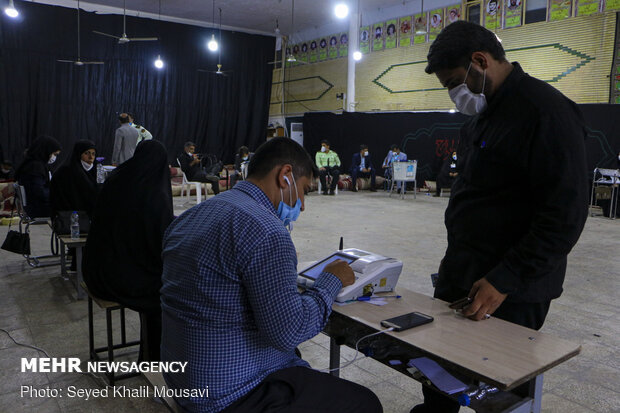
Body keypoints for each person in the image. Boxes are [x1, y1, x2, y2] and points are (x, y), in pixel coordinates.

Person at [413, 20, 588, 413]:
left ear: (480, 61)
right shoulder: (482, 115)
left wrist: (504, 278)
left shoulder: (547, 113)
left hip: (510, 289)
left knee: (497, 392)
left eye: (454, 81)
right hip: (463, 271)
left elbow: (564, 217)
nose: (453, 93)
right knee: (439, 375)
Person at [160, 137, 382, 413]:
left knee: (296, 362)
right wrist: (330, 280)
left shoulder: (194, 215)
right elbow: (289, 332)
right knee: (365, 403)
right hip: (228, 395)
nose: (301, 206)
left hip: (184, 381)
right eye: (303, 191)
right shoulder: (266, 230)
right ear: (285, 175)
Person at [83, 140, 174, 362]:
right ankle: (155, 362)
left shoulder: (118, 178)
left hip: (95, 267)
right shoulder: (155, 194)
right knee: (167, 293)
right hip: (115, 277)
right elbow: (159, 244)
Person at [50, 140, 99, 219]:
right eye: (86, 153)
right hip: (68, 216)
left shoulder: (92, 170)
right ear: (79, 154)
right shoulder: (67, 172)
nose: (91, 157)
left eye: (93, 154)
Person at [16, 136, 62, 218]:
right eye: (54, 154)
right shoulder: (35, 167)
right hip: (38, 208)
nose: (55, 157)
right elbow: (39, 192)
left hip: (35, 206)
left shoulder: (32, 163)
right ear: (46, 151)